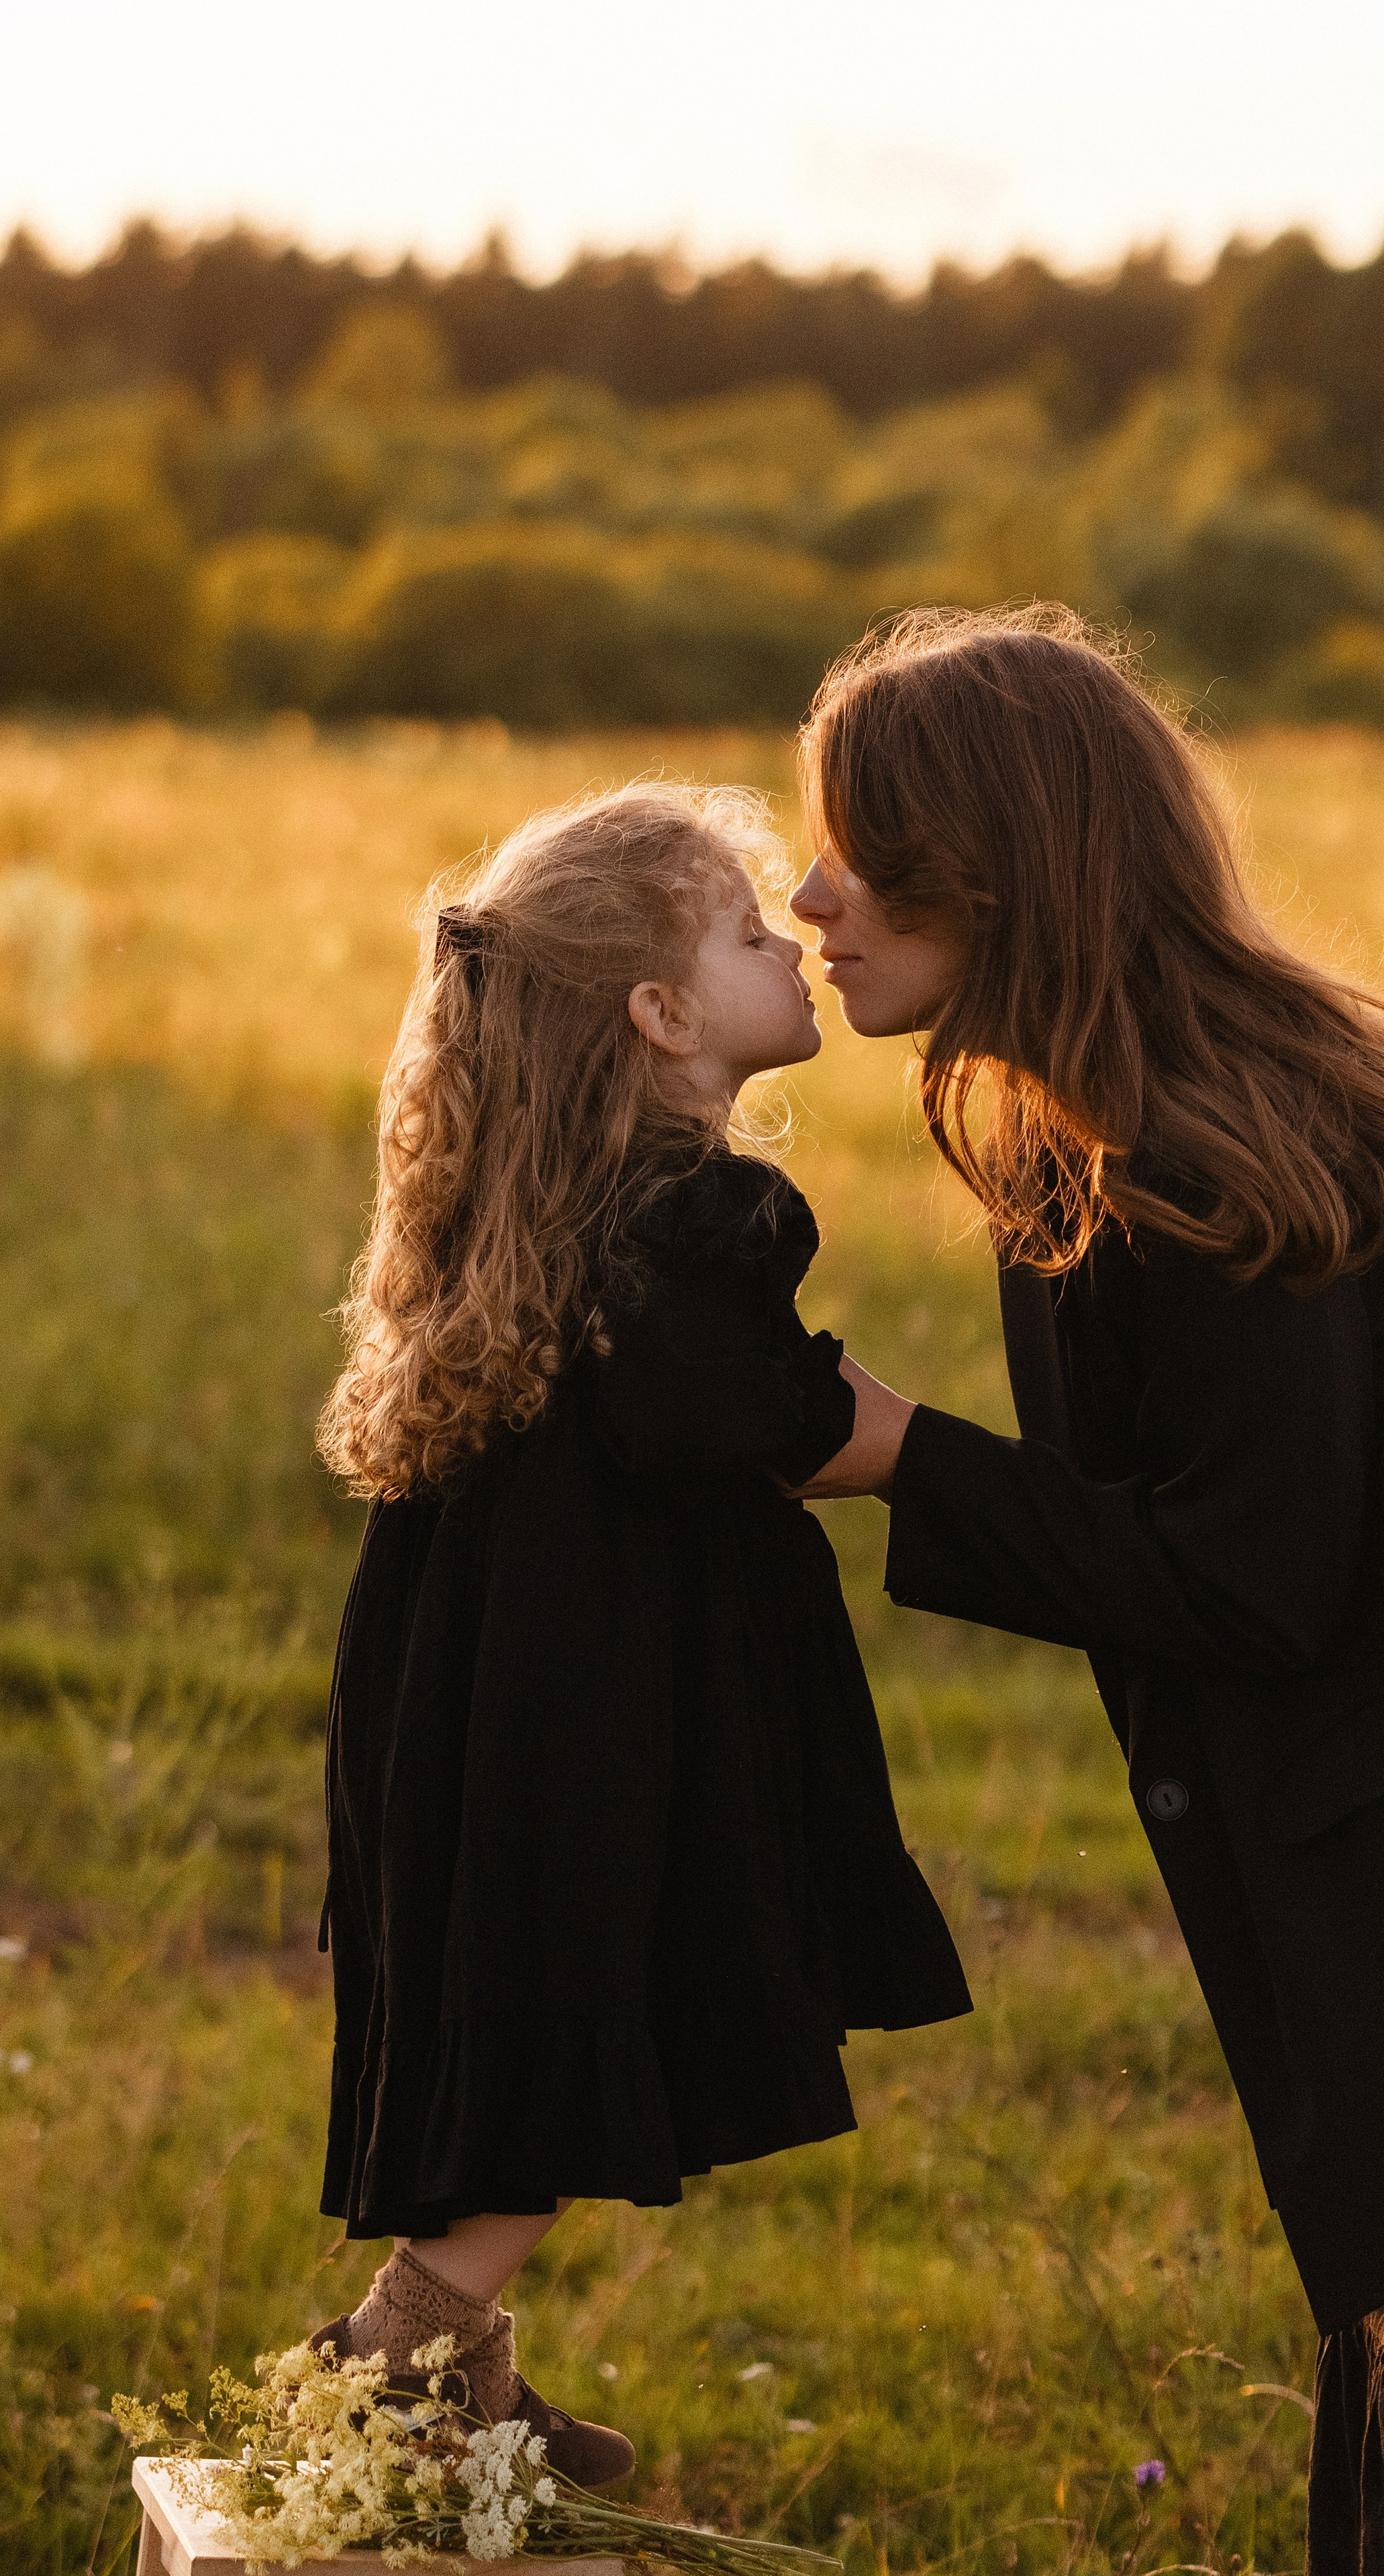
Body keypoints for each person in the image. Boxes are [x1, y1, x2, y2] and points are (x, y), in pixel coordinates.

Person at [787, 605, 1384, 2574]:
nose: (811, 897)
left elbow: (1247, 1577)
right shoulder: (1135, 1119)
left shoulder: (1205, 1160)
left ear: (1006, 860)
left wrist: (901, 1454)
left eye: (865, 851)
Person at [312, 783, 970, 2484]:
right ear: (663, 1015)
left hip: (487, 1681)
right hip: (589, 1707)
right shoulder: (694, 1213)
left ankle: (452, 2358)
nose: (794, 944)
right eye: (751, 933)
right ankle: (403, 2346)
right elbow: (740, 1416)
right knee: (563, 1996)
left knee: (535, 1997)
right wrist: (942, 1456)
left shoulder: (539, 1203)